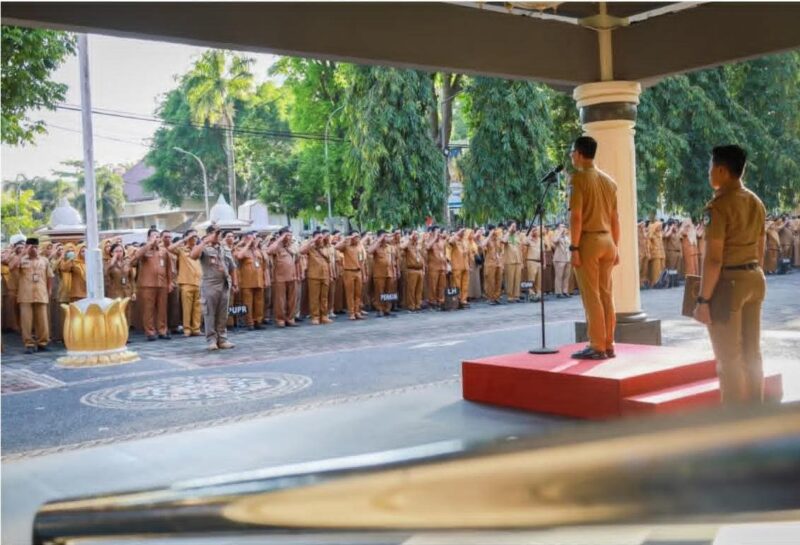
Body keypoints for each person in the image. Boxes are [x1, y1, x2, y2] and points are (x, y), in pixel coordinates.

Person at [693, 145, 766, 404]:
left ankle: (734, 419)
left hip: (729, 284)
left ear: (722, 171)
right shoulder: (756, 202)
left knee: (728, 359)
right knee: (752, 352)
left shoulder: (718, 207)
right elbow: (760, 249)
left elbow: (714, 259)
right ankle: (755, 413)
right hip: (754, 277)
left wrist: (703, 301)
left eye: (711, 167)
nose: (709, 173)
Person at [568, 136, 620, 360]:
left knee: (592, 296)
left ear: (579, 154)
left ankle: (597, 345)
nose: (571, 155)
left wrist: (574, 247)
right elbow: (615, 219)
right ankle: (608, 343)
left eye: (572, 151)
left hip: (589, 241)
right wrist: (616, 246)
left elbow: (576, 216)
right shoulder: (609, 182)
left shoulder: (578, 179)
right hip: (608, 240)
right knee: (606, 294)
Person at [190, 225, 236, 350]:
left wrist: (235, 283)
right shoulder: (204, 247)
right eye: (216, 233)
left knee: (223, 313)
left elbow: (232, 267)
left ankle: (222, 339)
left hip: (224, 283)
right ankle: (211, 340)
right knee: (210, 313)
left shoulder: (224, 248)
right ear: (209, 234)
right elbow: (193, 255)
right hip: (210, 284)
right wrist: (205, 241)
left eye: (219, 234)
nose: (218, 236)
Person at [10, 238, 54, 353]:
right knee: (26, 321)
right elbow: (11, 267)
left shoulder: (44, 260)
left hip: (41, 293)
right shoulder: (21, 260)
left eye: (35, 247)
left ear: (38, 247)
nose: (33, 249)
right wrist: (23, 253)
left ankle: (42, 343)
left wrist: (49, 290)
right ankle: (29, 344)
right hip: (25, 295)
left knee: (42, 321)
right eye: (31, 247)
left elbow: (50, 276)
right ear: (26, 247)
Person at [132, 228, 173, 341]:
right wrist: (149, 244)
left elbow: (168, 269)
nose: (156, 238)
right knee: (148, 309)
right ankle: (150, 332)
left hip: (162, 284)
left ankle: (162, 330)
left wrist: (170, 282)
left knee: (162, 309)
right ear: (148, 237)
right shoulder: (144, 250)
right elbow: (136, 258)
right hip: (147, 285)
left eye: (158, 236)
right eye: (153, 236)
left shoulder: (163, 251)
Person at [168, 230, 203, 337]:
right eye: (193, 236)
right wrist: (185, 239)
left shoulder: (198, 250)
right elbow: (170, 248)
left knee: (198, 308)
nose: (195, 238)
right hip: (186, 282)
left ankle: (196, 329)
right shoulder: (182, 250)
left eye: (196, 236)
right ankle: (187, 329)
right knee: (187, 308)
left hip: (199, 282)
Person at [236, 231, 268, 330]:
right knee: (247, 303)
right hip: (247, 281)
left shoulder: (258, 250)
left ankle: (258, 321)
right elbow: (239, 256)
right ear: (245, 239)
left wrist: (265, 279)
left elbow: (264, 265)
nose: (253, 240)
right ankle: (249, 323)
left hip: (259, 280)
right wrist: (248, 243)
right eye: (251, 238)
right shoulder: (240, 249)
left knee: (259, 302)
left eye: (254, 238)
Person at [300, 230, 333, 325]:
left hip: (325, 275)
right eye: (318, 237)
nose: (320, 239)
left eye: (321, 237)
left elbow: (329, 262)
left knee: (324, 297)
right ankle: (315, 316)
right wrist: (313, 240)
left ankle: (324, 316)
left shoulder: (326, 247)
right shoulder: (311, 247)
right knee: (314, 297)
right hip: (314, 275)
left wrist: (330, 274)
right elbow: (301, 251)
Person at [268, 227, 298, 327]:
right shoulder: (277, 245)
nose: (289, 237)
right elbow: (269, 250)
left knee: (292, 299)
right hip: (280, 276)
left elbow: (298, 256)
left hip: (292, 275)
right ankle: (280, 319)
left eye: (290, 234)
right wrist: (280, 239)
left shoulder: (291, 245)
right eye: (287, 235)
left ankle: (290, 318)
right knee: (280, 300)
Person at [335, 230, 368, 320]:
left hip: (358, 271)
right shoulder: (346, 246)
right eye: (354, 237)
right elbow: (336, 247)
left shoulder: (359, 246)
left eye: (357, 236)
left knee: (358, 294)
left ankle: (357, 312)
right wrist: (347, 239)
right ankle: (351, 313)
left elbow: (362, 261)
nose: (356, 238)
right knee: (350, 294)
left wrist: (364, 274)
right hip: (349, 271)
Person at [369, 230, 397, 317]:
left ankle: (387, 309)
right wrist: (379, 240)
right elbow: (369, 251)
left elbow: (392, 260)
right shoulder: (376, 245)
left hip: (390, 272)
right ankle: (379, 309)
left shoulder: (390, 247)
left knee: (389, 292)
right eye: (385, 236)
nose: (387, 238)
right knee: (379, 292)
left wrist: (394, 272)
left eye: (387, 236)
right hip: (379, 274)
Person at [401, 230, 425, 311]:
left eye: (417, 234)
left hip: (420, 270)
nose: (416, 236)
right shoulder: (408, 245)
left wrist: (423, 269)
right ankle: (411, 306)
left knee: (419, 290)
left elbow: (422, 258)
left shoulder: (417, 246)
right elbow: (402, 247)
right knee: (411, 289)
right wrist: (409, 238)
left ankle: (418, 305)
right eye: (415, 234)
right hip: (412, 270)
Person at [425, 226, 447, 310]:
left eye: (439, 232)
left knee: (441, 286)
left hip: (442, 267)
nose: (438, 233)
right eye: (437, 232)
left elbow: (444, 254)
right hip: (433, 267)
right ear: (433, 232)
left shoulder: (442, 241)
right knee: (433, 285)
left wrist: (446, 266)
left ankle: (440, 301)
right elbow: (427, 247)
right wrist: (434, 238)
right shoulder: (429, 240)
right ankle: (432, 302)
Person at [447, 228, 470, 308]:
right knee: (456, 285)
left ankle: (463, 300)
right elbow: (450, 242)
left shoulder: (465, 241)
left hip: (465, 266)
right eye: (462, 231)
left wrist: (468, 265)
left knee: (465, 285)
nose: (463, 233)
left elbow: (467, 254)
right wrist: (457, 233)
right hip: (457, 266)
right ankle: (457, 301)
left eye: (464, 231)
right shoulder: (454, 240)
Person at [481, 224, 504, 305]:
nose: (496, 232)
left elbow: (504, 243)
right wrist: (490, 235)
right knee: (490, 281)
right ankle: (490, 298)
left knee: (499, 280)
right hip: (490, 263)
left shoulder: (498, 240)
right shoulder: (487, 239)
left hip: (498, 263)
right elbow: (482, 245)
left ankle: (496, 297)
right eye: (494, 230)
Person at [502, 222, 523, 303]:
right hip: (509, 261)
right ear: (509, 227)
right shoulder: (506, 235)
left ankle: (516, 295)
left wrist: (521, 261)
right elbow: (504, 241)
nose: (515, 228)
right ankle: (510, 296)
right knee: (510, 279)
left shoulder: (517, 236)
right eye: (513, 226)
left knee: (517, 279)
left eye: (515, 226)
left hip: (518, 261)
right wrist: (509, 231)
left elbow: (520, 250)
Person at [552, 224, 572, 298]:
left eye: (564, 227)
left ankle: (565, 291)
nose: (564, 228)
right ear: (558, 228)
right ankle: (558, 292)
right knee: (559, 276)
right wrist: (560, 232)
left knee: (566, 276)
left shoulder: (567, 237)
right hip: (559, 259)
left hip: (567, 258)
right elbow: (555, 241)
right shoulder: (556, 235)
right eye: (562, 227)